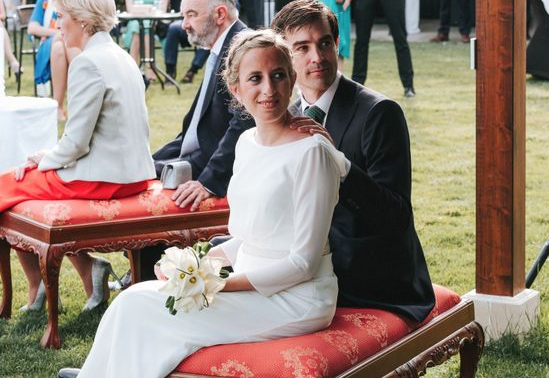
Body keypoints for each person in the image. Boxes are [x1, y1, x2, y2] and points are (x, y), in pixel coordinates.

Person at [57, 28, 344, 378]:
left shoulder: (311, 153)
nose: (268, 89)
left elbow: (301, 263)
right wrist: (194, 265)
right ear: (236, 90)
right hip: (249, 279)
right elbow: (251, 239)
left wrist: (213, 283)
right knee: (132, 300)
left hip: (298, 298)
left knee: (144, 309)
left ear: (292, 79)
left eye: (278, 75)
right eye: (255, 78)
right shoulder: (247, 142)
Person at [272, 0, 435, 322]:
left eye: (324, 43)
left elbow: (396, 217)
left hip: (369, 272)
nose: (316, 57)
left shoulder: (379, 113)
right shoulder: (286, 115)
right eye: (302, 48)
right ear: (285, 58)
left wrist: (340, 166)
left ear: (336, 43)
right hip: (305, 259)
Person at [0, 0, 156, 312]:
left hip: (104, 176)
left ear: (82, 19)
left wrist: (43, 160)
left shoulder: (88, 61)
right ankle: (87, 269)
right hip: (135, 173)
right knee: (19, 182)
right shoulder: (121, 56)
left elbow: (75, 145)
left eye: (61, 16)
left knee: (6, 187)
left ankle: (36, 285)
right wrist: (48, 158)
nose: (57, 24)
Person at [136, 0, 253, 279]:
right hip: (196, 154)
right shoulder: (222, 46)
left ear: (220, 14)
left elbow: (243, 123)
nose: (184, 24)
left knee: (149, 207)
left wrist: (209, 183)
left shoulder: (244, 46)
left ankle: (149, 276)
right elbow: (197, 125)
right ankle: (142, 273)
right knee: (136, 174)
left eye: (191, 15)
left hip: (216, 167)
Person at [162, 0, 238, 81]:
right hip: (192, 21)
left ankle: (192, 70)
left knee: (209, 29)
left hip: (213, 23)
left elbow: (234, 7)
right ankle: (170, 72)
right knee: (173, 28)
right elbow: (186, 5)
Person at [28, 0, 81, 121]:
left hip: (70, 45)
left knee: (61, 46)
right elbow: (32, 27)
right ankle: (61, 106)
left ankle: (59, 106)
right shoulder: (44, 0)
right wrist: (57, 33)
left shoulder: (78, 0)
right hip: (49, 46)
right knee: (58, 43)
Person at [122, 0, 169, 73]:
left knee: (146, 24)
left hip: (156, 24)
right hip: (135, 22)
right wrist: (149, 9)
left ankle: (144, 68)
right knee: (136, 26)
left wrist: (142, 9)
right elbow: (130, 10)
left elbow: (162, 10)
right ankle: (137, 69)